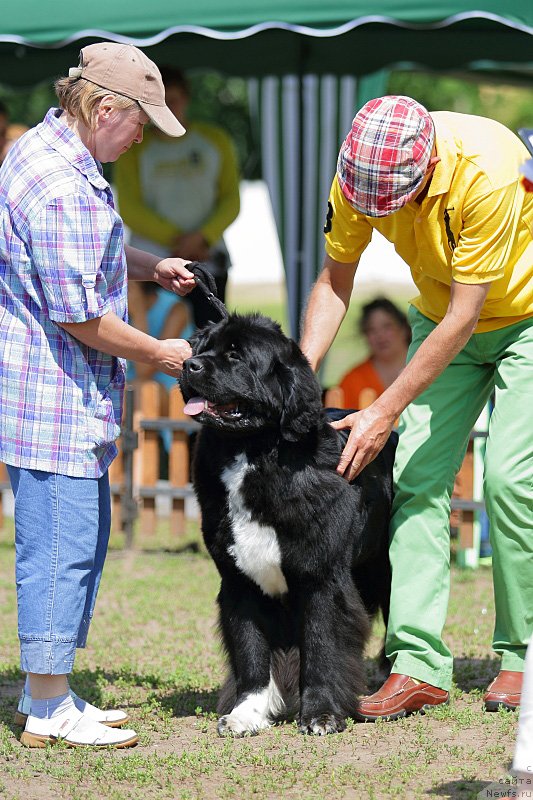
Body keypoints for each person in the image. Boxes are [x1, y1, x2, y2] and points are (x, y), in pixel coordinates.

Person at [300, 95, 533, 721]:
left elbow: (468, 314)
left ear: (427, 165)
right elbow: (334, 279)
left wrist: (384, 409)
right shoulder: (360, 173)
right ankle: (417, 664)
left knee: (511, 481)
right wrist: (298, 379)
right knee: (414, 484)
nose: (379, 214)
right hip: (441, 315)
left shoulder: (487, 167)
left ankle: (521, 658)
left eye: (392, 204)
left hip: (521, 318)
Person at [0, 42, 197, 748]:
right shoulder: (60, 187)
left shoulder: (44, 151)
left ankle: (46, 690)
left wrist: (150, 265)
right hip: (55, 400)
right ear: (104, 106)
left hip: (43, 394)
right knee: (63, 548)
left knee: (67, 539)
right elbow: (79, 315)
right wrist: (161, 352)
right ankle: (48, 709)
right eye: (141, 120)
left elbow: (87, 254)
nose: (144, 134)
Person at [114, 65, 240, 329]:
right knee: (154, 343)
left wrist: (202, 237)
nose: (168, 109)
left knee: (212, 342)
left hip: (207, 260)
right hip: (152, 264)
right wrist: (179, 242)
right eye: (160, 103)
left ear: (186, 98)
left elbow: (231, 200)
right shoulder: (135, 146)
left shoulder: (215, 140)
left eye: (173, 100)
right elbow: (129, 207)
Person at [337, 297, 411, 409]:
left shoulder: (427, 369)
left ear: (404, 329)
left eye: (387, 326)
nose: (380, 336)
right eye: (371, 330)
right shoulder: (352, 380)